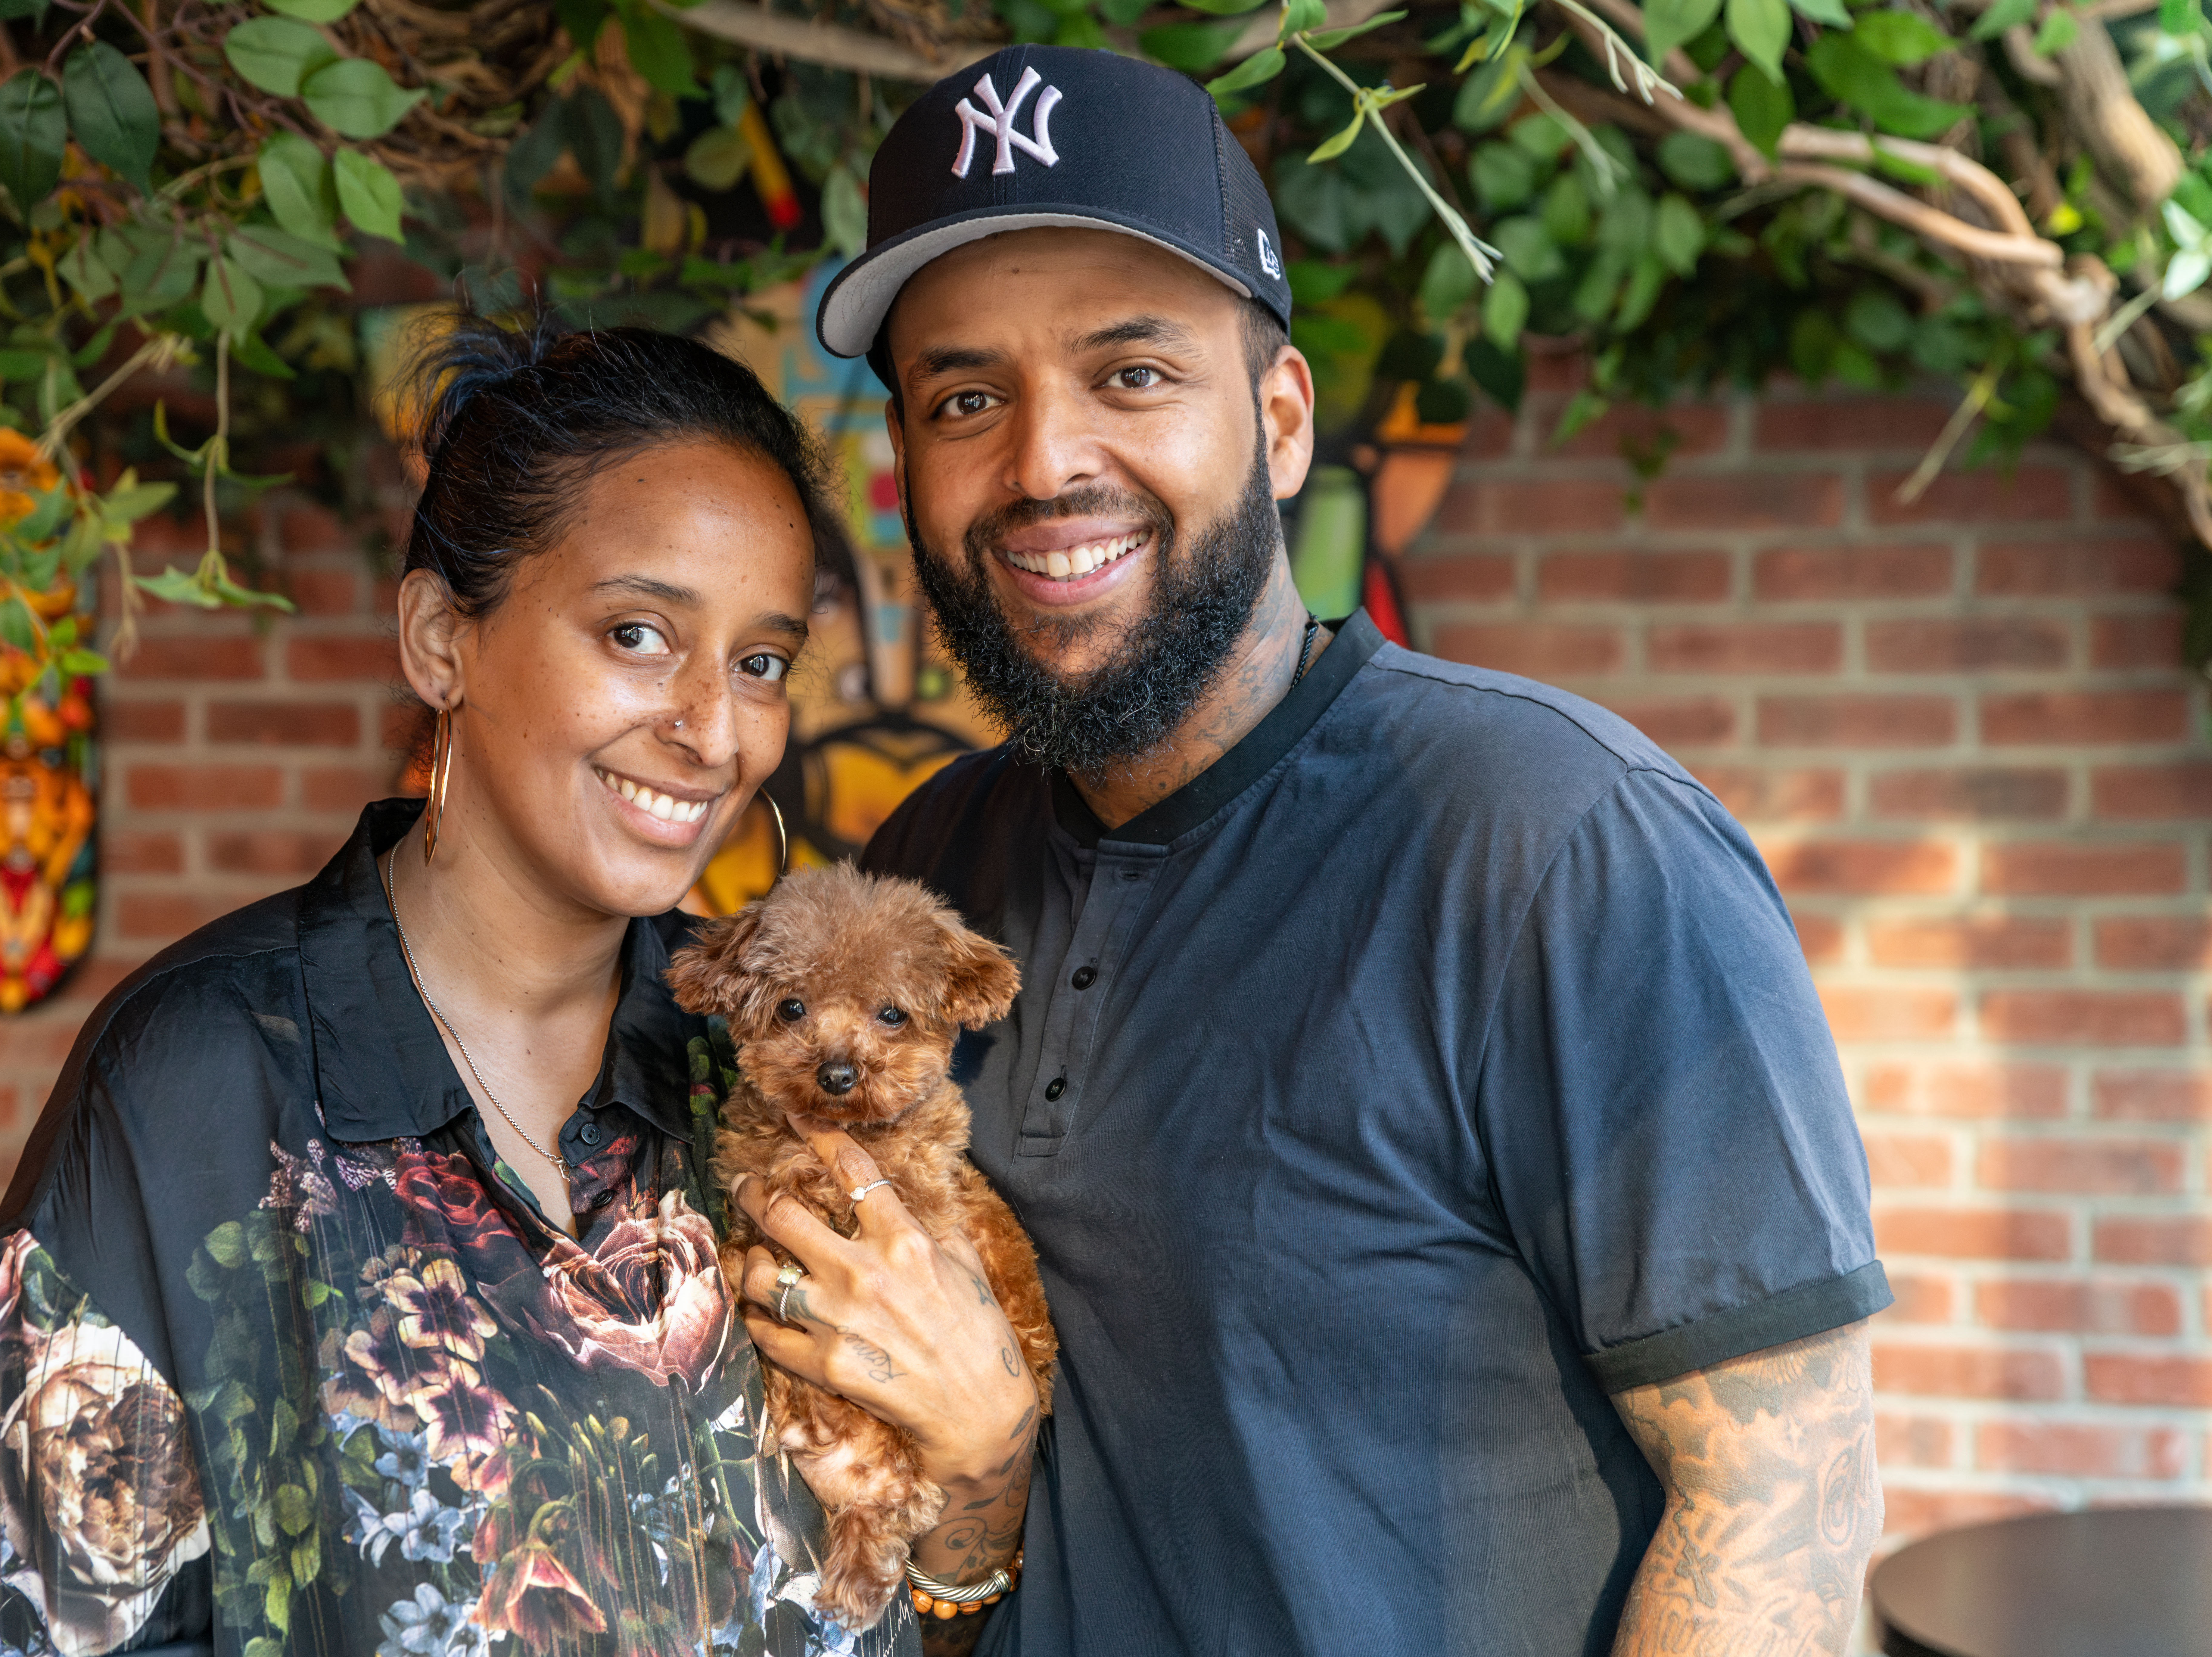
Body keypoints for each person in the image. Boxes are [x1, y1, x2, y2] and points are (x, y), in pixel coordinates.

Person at [769, 43, 1893, 1657]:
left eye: (1133, 375)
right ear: (909, 473)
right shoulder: (932, 870)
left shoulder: (1563, 848)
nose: (1042, 464)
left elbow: (1783, 1508)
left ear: (1282, 422)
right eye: (967, 399)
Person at [0, 320, 1034, 1657]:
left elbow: (895, 1597)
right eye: (637, 632)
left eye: (761, 661)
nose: (715, 727)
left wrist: (987, 1474)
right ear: (443, 639)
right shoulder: (199, 1084)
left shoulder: (763, 1069)